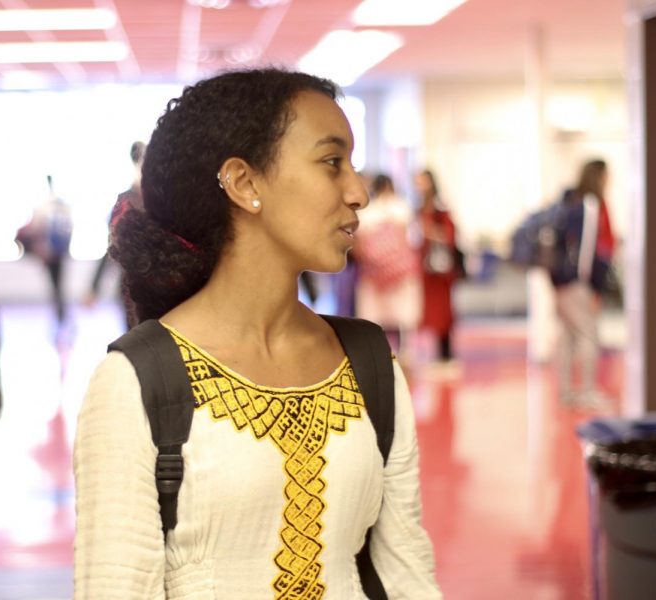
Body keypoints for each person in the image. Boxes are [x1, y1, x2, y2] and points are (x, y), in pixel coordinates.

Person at [74, 68, 440, 598]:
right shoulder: (136, 382)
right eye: (332, 162)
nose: (358, 191)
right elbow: (115, 588)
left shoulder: (369, 364)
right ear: (245, 183)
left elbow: (408, 576)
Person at [550, 159, 616, 408]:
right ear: (598, 176)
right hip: (578, 283)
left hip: (562, 283)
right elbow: (588, 251)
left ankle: (566, 394)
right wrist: (594, 286)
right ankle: (587, 392)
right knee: (589, 335)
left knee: (567, 336)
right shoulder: (589, 205)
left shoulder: (570, 202)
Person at [353, 173, 421, 352]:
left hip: (372, 273)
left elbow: (358, 245)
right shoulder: (401, 208)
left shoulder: (367, 212)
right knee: (403, 317)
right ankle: (405, 350)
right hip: (400, 273)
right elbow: (407, 240)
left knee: (374, 317)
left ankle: (376, 350)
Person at [84, 141, 146, 328]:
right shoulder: (126, 202)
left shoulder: (155, 198)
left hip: (153, 282)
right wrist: (94, 286)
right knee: (137, 335)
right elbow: (113, 246)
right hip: (133, 285)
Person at [17, 175, 74, 328]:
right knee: (59, 285)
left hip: (50, 254)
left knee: (55, 286)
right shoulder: (62, 206)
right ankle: (61, 315)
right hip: (60, 252)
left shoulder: (43, 207)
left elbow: (36, 230)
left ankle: (60, 315)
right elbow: (69, 228)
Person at [415, 168, 460, 364]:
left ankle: (446, 351)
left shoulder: (440, 209)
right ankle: (439, 351)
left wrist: (430, 232)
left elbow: (449, 235)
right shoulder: (418, 208)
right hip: (426, 268)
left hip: (441, 269)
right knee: (431, 311)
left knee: (444, 312)